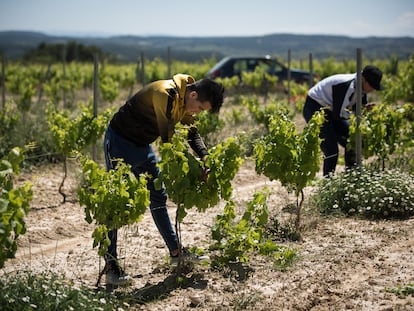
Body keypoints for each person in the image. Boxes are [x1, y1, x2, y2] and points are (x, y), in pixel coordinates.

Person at [102, 74, 224, 286]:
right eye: (200, 108)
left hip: (143, 146)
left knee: (158, 196)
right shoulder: (165, 94)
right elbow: (168, 141)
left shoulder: (186, 99)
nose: (197, 113)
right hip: (120, 142)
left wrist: (205, 159)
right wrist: (191, 168)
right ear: (193, 95)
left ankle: (176, 252)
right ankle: (111, 266)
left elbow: (192, 134)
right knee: (116, 203)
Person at [303, 65, 383, 176]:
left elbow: (357, 110)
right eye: (372, 86)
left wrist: (365, 109)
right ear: (364, 80)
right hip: (314, 106)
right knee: (331, 149)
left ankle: (351, 177)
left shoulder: (362, 89)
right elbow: (340, 114)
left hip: (331, 110)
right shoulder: (345, 85)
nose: (373, 89)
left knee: (352, 141)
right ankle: (328, 184)